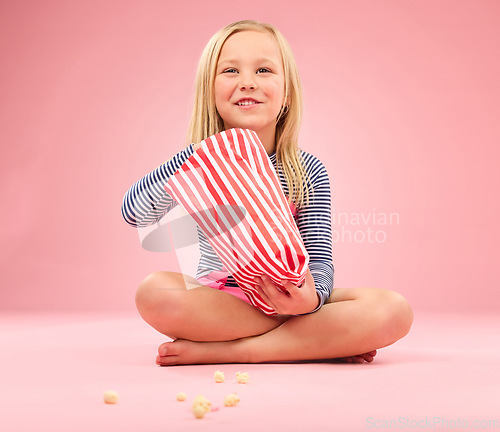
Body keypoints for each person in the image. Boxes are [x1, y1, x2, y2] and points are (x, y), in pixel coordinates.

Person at [121, 20, 413, 366]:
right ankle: (314, 340)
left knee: (394, 310)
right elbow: (136, 212)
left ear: (287, 92)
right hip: (221, 301)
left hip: (293, 297)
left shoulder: (307, 171)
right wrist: (197, 154)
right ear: (209, 92)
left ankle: (236, 351)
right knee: (153, 293)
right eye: (230, 70)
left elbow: (319, 258)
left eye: (263, 69)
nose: (247, 82)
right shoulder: (198, 164)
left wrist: (310, 301)